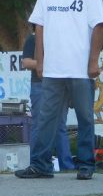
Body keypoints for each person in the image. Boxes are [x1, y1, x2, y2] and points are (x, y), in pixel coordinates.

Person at [15, 0, 103, 181]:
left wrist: (93, 61)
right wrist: (40, 60)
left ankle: (86, 164)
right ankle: (40, 165)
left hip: (79, 68)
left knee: (86, 117)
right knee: (46, 118)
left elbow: (98, 25)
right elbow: (39, 26)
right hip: (53, 69)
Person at [22, 30, 75, 170]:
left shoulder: (60, 37)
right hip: (40, 84)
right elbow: (26, 62)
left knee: (60, 126)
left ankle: (67, 166)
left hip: (61, 85)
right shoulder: (32, 39)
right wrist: (49, 64)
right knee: (39, 124)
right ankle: (37, 164)